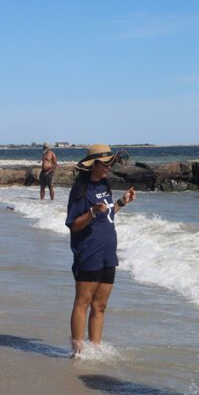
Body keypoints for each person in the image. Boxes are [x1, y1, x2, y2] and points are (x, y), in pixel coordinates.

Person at [65, 144, 136, 355]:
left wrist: (122, 202)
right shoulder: (80, 189)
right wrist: (92, 212)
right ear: (94, 164)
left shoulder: (105, 185)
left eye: (110, 163)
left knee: (100, 305)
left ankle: (95, 350)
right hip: (88, 251)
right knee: (83, 303)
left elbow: (108, 213)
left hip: (108, 253)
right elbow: (73, 224)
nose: (108, 168)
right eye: (105, 164)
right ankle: (78, 352)